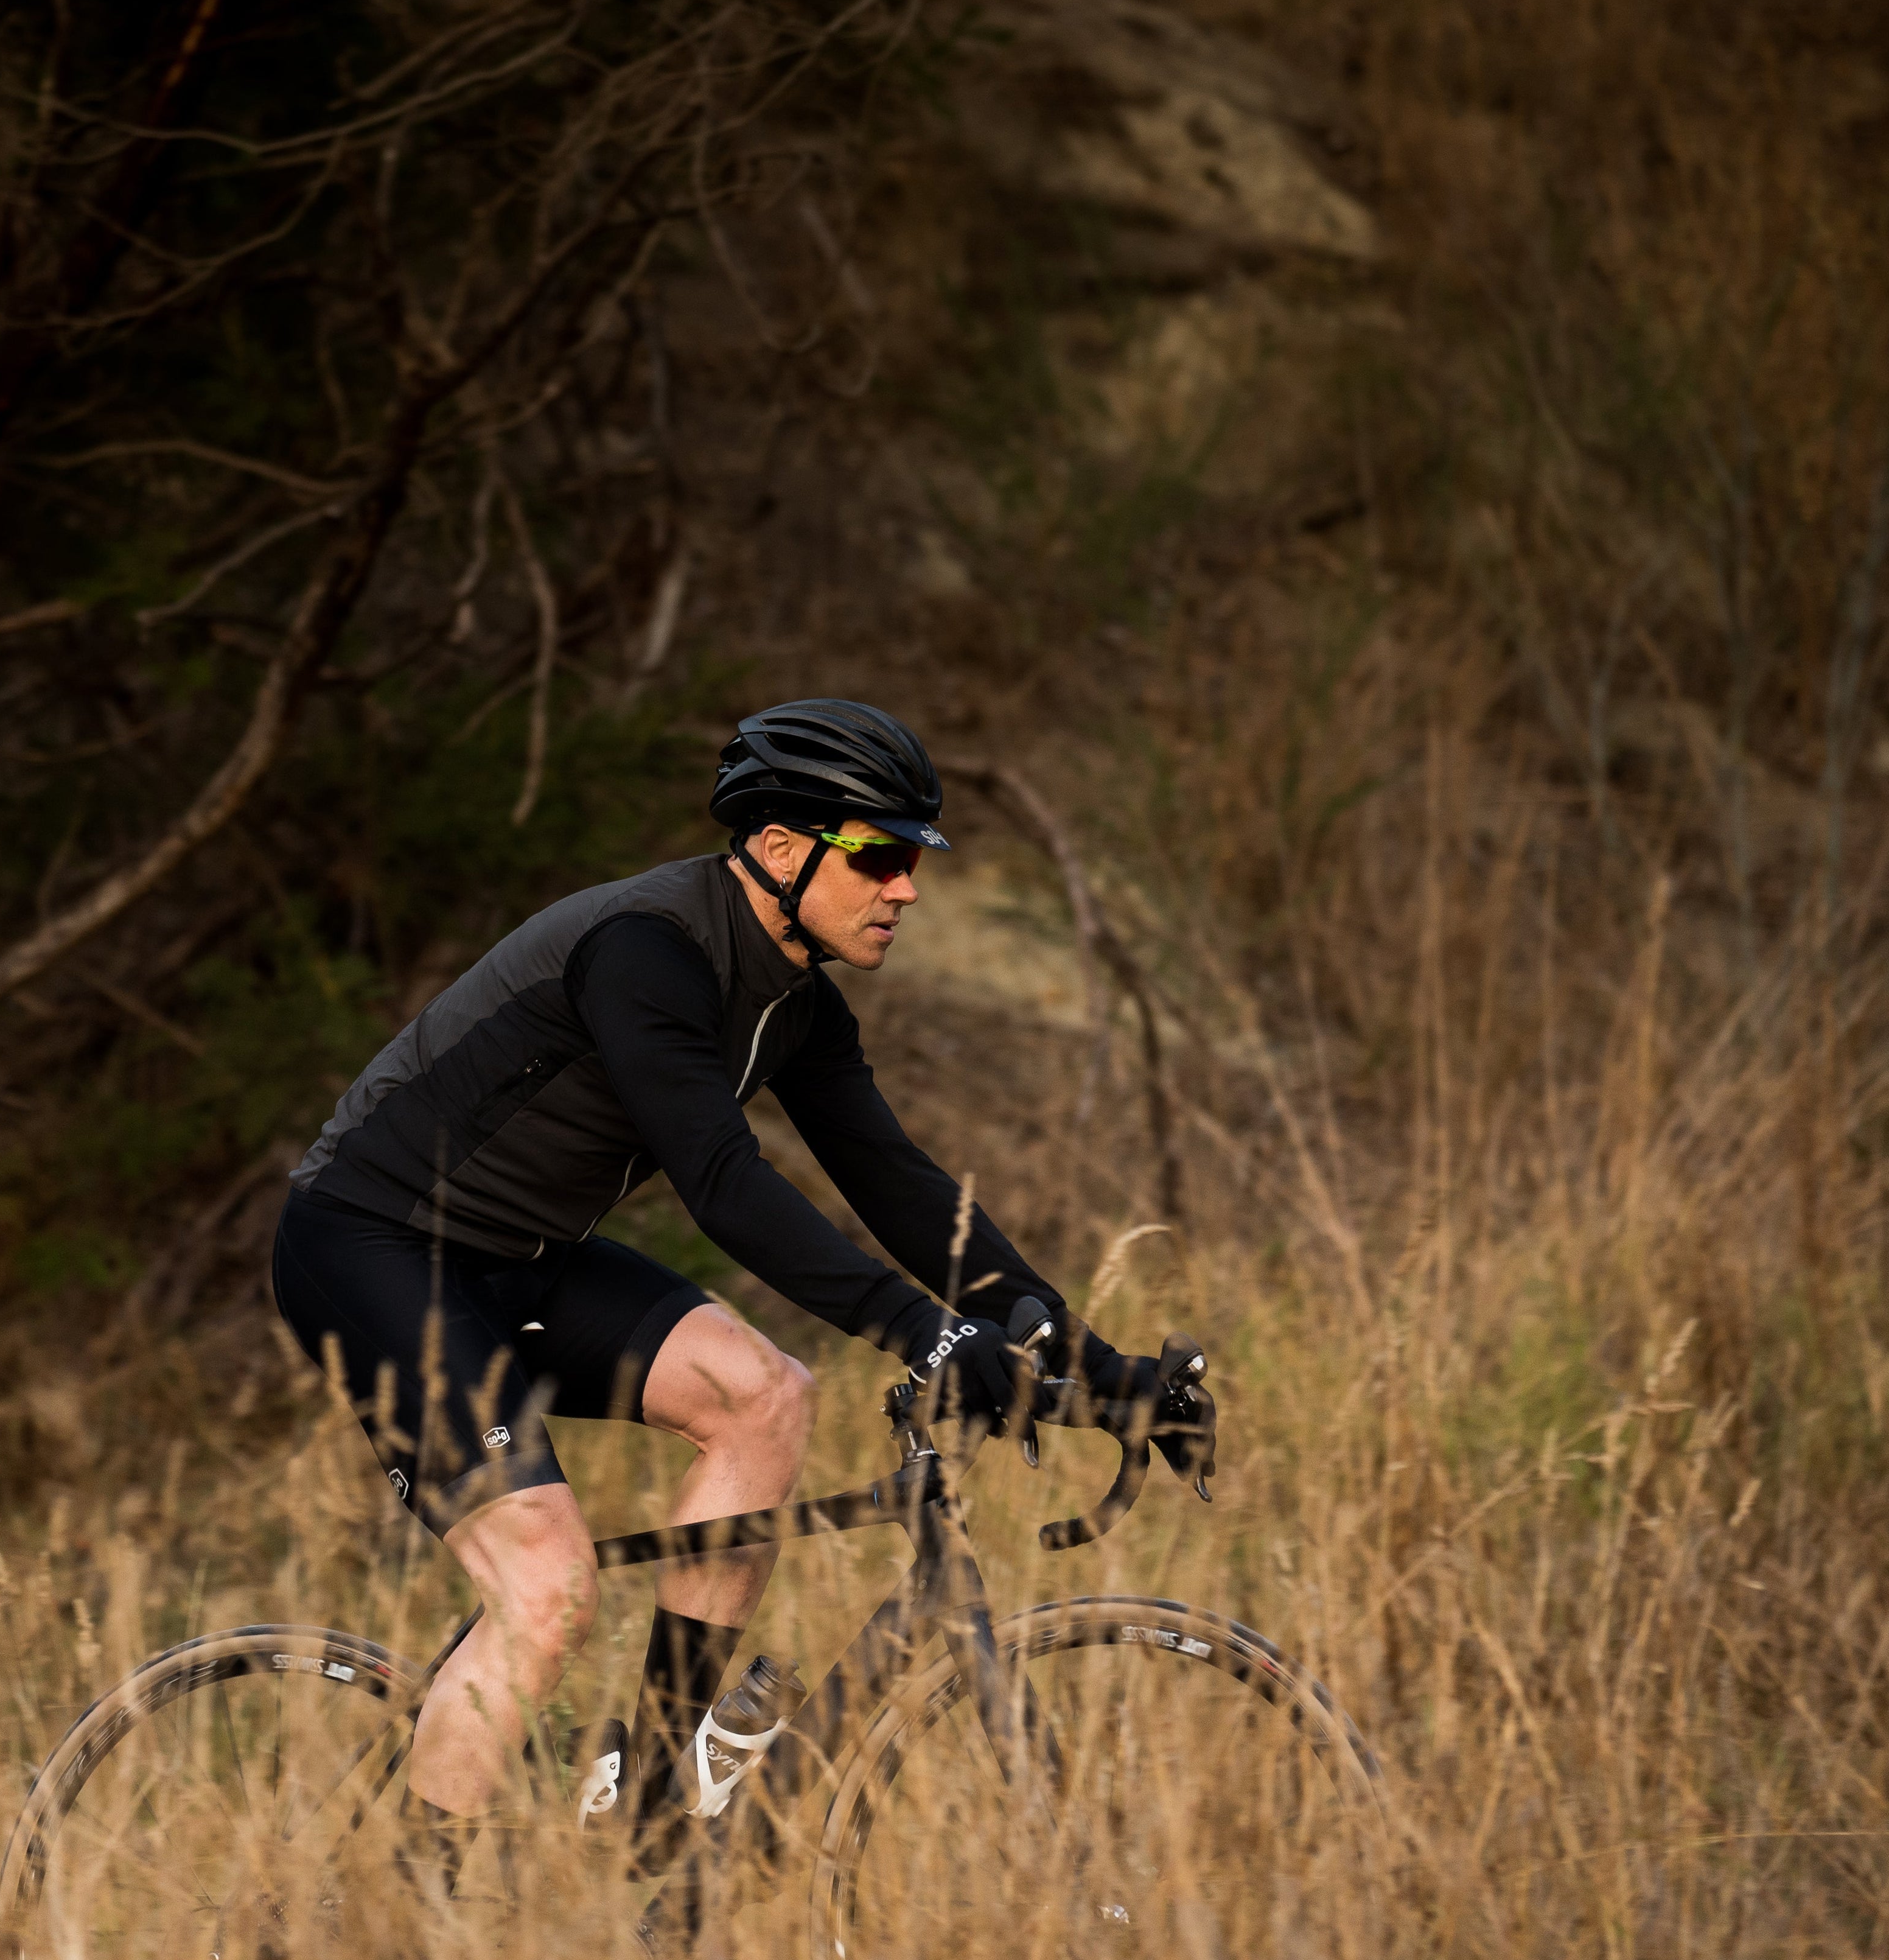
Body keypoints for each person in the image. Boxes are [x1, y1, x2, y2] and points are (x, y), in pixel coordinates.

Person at [270, 697, 1206, 1851]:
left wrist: (1095, 1366)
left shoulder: (795, 1002)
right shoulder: (646, 951)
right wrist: (922, 1331)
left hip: (518, 1260)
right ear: (777, 846)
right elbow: (720, 1179)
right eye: (880, 856)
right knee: (547, 1592)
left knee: (767, 1396)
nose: (906, 887)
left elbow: (904, 1190)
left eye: (915, 859)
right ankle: (412, 1916)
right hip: (369, 1247)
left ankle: (654, 1792)